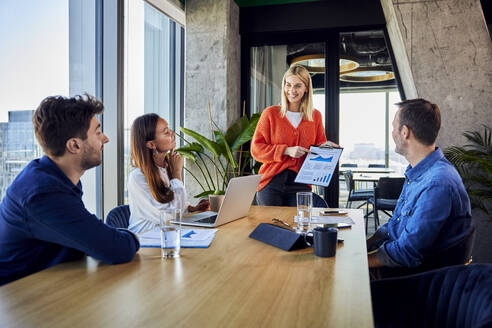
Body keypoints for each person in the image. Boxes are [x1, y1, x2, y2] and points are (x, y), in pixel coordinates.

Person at [0, 95, 140, 286]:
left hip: (51, 287)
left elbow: (87, 236)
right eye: (97, 132)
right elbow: (116, 249)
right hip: (22, 301)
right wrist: (133, 236)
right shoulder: (43, 193)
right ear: (74, 145)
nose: (105, 138)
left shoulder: (54, 178)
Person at [366, 98, 472, 278]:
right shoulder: (419, 172)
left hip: (416, 280)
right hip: (402, 267)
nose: (392, 132)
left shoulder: (437, 183)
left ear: (405, 132)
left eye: (394, 127)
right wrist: (365, 244)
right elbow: (394, 225)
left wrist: (360, 261)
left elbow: (407, 252)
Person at [251, 64, 338, 206]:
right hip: (271, 183)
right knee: (272, 227)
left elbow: (317, 149)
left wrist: (325, 148)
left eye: (298, 86)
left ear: (306, 89)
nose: (292, 90)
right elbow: (256, 150)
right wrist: (286, 150)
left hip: (301, 184)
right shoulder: (271, 114)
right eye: (288, 85)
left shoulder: (315, 116)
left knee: (301, 226)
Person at [127, 113, 208, 234]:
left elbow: (173, 206)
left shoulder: (165, 167)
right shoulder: (138, 177)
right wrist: (176, 174)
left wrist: (191, 209)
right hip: (145, 239)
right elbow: (169, 215)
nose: (173, 133)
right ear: (151, 144)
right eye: (166, 132)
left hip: (166, 234)